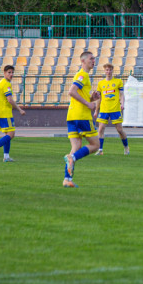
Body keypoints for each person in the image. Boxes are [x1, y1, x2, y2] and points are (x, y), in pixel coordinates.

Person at [62, 50, 101, 188]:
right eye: (91, 59)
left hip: (71, 116)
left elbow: (78, 94)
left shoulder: (82, 76)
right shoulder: (83, 75)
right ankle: (72, 158)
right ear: (83, 61)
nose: (93, 61)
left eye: (94, 59)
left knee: (76, 147)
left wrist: (91, 98)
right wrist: (89, 104)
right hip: (81, 116)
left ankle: (67, 179)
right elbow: (71, 91)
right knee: (96, 145)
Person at [0, 64, 25, 163]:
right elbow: (10, 100)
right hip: (5, 112)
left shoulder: (0, 83)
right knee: (11, 134)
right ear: (4, 73)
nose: (11, 74)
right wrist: (19, 109)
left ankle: (6, 157)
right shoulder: (7, 84)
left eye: (12, 73)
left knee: (7, 134)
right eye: (9, 72)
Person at [96, 63, 128, 155]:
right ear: (104, 71)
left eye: (110, 70)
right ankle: (100, 150)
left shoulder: (118, 82)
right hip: (104, 109)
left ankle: (126, 147)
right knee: (101, 129)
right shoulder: (101, 83)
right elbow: (98, 98)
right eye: (107, 70)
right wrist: (96, 110)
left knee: (119, 130)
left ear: (112, 71)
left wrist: (122, 103)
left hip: (115, 109)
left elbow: (121, 95)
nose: (108, 71)